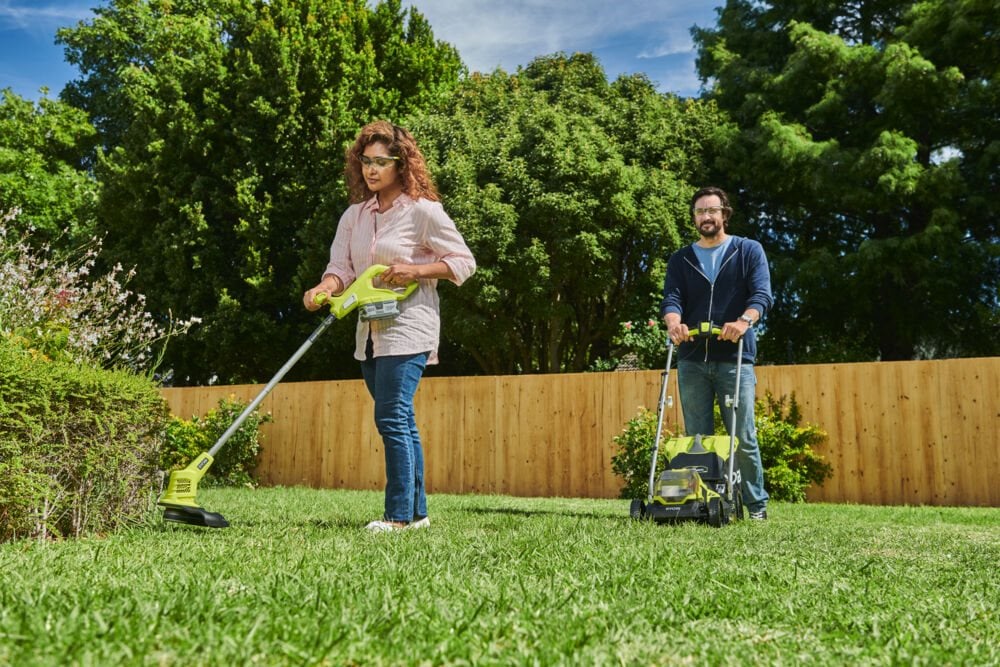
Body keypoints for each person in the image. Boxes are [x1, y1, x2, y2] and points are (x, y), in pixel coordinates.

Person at [303, 121, 476, 532]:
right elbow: (341, 267)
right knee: (401, 420)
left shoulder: (423, 212)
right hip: (370, 333)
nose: (371, 169)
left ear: (402, 165)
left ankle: (397, 517)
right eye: (366, 161)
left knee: (392, 417)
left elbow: (463, 263)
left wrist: (416, 270)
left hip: (410, 325)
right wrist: (324, 287)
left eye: (381, 162)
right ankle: (418, 515)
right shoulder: (353, 216)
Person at [660, 186, 773, 520]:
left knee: (743, 436)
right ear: (694, 218)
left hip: (734, 357)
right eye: (699, 212)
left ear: (725, 213)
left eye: (711, 210)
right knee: (697, 439)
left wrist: (743, 321)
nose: (705, 217)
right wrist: (674, 322)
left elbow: (762, 296)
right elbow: (672, 299)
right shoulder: (681, 259)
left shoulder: (748, 250)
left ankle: (756, 507)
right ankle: (699, 504)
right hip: (692, 358)